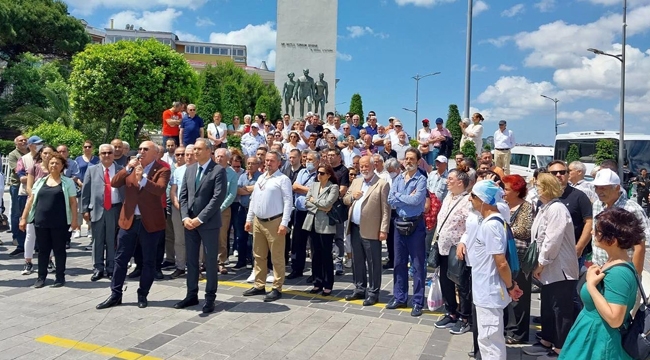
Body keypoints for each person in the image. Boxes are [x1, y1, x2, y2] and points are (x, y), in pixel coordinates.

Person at [559, 207, 643, 360]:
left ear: (613, 240)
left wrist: (591, 286)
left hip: (600, 344)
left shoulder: (619, 273)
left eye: (597, 231)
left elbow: (615, 319)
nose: (592, 233)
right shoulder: (613, 261)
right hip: (593, 336)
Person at [96, 141, 171, 310]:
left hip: (150, 222)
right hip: (128, 220)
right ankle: (115, 294)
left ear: (155, 153)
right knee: (121, 258)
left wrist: (142, 179)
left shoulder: (162, 169)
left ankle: (143, 294)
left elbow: (159, 190)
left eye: (146, 149)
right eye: (141, 149)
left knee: (148, 261)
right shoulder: (131, 165)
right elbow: (115, 182)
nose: (141, 152)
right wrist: (127, 168)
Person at [522, 173, 579, 359]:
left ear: (546, 188)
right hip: (549, 268)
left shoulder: (557, 209)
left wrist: (541, 263)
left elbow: (552, 240)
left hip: (560, 269)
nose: (535, 189)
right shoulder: (545, 207)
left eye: (538, 186)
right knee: (547, 306)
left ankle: (560, 349)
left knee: (560, 310)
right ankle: (547, 340)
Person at [466, 180, 523, 360]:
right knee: (488, 339)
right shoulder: (495, 221)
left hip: (489, 292)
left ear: (484, 200)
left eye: (473, 196)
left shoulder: (491, 225)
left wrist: (510, 285)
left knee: (490, 341)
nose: (470, 199)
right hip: (488, 289)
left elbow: (501, 263)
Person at [173, 139, 227, 314]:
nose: (195, 152)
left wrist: (200, 219)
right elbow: (183, 196)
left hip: (208, 224)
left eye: (198, 149)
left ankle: (210, 297)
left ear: (209, 150)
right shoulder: (189, 170)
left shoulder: (218, 170)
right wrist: (185, 217)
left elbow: (217, 198)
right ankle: (191, 294)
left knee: (210, 261)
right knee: (192, 260)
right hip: (189, 224)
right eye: (194, 149)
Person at [19, 152, 77, 288]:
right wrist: (23, 218)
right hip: (41, 221)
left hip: (60, 222)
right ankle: (41, 277)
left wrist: (75, 220)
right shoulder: (40, 181)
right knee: (43, 251)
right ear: (47, 165)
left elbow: (73, 203)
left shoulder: (67, 182)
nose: (54, 165)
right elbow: (31, 200)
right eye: (51, 163)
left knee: (59, 250)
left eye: (57, 163)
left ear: (62, 166)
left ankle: (60, 277)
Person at [243, 151, 293, 302]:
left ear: (279, 163)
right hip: (258, 221)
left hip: (275, 222)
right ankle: (259, 284)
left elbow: (288, 202)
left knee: (277, 257)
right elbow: (253, 200)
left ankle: (277, 287)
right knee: (258, 255)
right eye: (266, 160)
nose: (268, 163)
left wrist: (284, 223)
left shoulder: (283, 179)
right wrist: (249, 219)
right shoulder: (261, 178)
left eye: (272, 161)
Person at [343, 155, 390, 305]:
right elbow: (345, 199)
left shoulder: (382, 184)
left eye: (366, 166)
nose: (363, 169)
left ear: (373, 166)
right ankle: (359, 288)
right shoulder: (356, 181)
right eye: (361, 166)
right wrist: (352, 198)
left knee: (373, 263)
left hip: (372, 230)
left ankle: (373, 292)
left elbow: (386, 210)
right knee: (357, 261)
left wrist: (384, 230)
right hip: (355, 228)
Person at [386, 148, 427, 317]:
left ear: (418, 161)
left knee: (417, 265)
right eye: (406, 158)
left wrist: (399, 196)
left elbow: (417, 200)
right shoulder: (398, 178)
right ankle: (399, 297)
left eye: (412, 158)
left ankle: (417, 301)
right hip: (399, 224)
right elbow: (390, 200)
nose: (408, 161)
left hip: (415, 226)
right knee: (399, 263)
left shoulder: (421, 179)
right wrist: (404, 197)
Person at [433, 169, 471, 334]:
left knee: (461, 284)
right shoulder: (448, 196)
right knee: (445, 281)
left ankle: (465, 317)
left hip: (457, 250)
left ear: (460, 182)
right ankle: (451, 312)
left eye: (450, 179)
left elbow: (470, 226)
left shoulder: (468, 201)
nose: (447, 182)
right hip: (443, 247)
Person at [590, 168, 648, 276]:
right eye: (596, 187)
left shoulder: (631, 209)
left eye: (603, 188)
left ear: (616, 188)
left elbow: (639, 247)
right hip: (599, 267)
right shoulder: (597, 205)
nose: (598, 191)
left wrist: (634, 278)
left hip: (621, 272)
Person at [81, 144, 125, 281]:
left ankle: (111, 268)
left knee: (112, 240)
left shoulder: (121, 170)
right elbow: (85, 191)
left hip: (114, 208)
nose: (107, 155)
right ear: (99, 155)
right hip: (97, 209)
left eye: (109, 153)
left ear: (114, 154)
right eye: (104, 153)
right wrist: (84, 209)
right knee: (97, 240)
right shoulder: (92, 170)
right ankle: (98, 268)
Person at [501, 174, 534, 344]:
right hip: (505, 256)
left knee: (519, 296)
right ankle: (507, 327)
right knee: (507, 292)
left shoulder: (527, 207)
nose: (503, 192)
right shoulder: (503, 206)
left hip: (519, 258)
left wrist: (502, 230)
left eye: (506, 189)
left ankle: (518, 333)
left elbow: (524, 230)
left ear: (516, 190)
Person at [303, 163, 340, 296]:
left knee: (326, 255)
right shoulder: (313, 185)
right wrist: (319, 205)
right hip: (312, 223)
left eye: (322, 173)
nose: (319, 175)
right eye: (318, 172)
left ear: (329, 175)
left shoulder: (333, 187)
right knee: (315, 255)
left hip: (325, 226)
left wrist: (315, 201)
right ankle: (317, 282)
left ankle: (328, 284)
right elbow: (306, 202)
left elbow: (328, 204)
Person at [286, 151, 319, 279]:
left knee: (313, 244)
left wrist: (304, 189)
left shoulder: (319, 174)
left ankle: (315, 273)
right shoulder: (301, 172)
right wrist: (309, 190)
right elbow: (294, 187)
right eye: (306, 159)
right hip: (299, 211)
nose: (307, 161)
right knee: (298, 241)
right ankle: (297, 269)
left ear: (317, 161)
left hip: (312, 212)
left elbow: (316, 192)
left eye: (311, 159)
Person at [214, 148, 238, 274]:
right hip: (208, 209)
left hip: (223, 210)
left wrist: (220, 207)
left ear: (227, 158)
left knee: (222, 237)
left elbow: (232, 194)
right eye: (217, 156)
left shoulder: (232, 174)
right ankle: (207, 262)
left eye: (222, 156)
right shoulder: (210, 170)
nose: (219, 158)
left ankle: (221, 262)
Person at [7, 135, 28, 256]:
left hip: (31, 186)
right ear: (16, 143)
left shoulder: (33, 152)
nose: (24, 142)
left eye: (25, 140)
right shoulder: (13, 154)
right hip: (17, 186)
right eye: (21, 140)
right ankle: (19, 240)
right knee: (17, 213)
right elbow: (17, 170)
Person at [74, 140, 99, 240]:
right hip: (80, 187)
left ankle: (90, 228)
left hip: (93, 187)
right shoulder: (78, 159)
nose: (87, 148)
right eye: (85, 147)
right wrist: (80, 183)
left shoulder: (97, 159)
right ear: (82, 148)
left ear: (92, 148)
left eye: (89, 147)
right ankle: (78, 229)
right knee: (80, 209)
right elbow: (75, 173)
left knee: (91, 208)